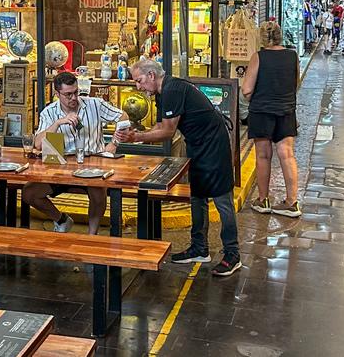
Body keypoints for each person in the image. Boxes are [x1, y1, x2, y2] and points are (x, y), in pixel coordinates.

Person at [114, 59, 240, 276]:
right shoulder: (163, 92)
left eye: (140, 81)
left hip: (213, 145)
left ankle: (232, 253)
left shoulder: (172, 89)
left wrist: (136, 138)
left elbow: (167, 132)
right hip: (197, 145)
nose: (138, 87)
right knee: (197, 196)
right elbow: (161, 125)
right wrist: (138, 134)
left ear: (152, 75)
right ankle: (199, 248)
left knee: (222, 200)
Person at [25, 72, 127, 234]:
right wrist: (58, 123)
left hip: (93, 166)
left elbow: (123, 117)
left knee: (98, 191)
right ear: (57, 94)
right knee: (29, 193)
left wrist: (114, 144)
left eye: (76, 92)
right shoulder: (49, 112)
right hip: (61, 167)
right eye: (68, 95)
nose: (73, 98)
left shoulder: (94, 104)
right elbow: (38, 143)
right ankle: (61, 220)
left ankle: (91, 236)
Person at [243, 22, 301, 218]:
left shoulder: (258, 57)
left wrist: (256, 96)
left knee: (263, 155)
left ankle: (263, 199)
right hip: (286, 110)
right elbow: (295, 83)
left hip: (262, 112)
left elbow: (247, 89)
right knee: (287, 154)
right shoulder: (292, 56)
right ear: (280, 36)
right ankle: (292, 202)